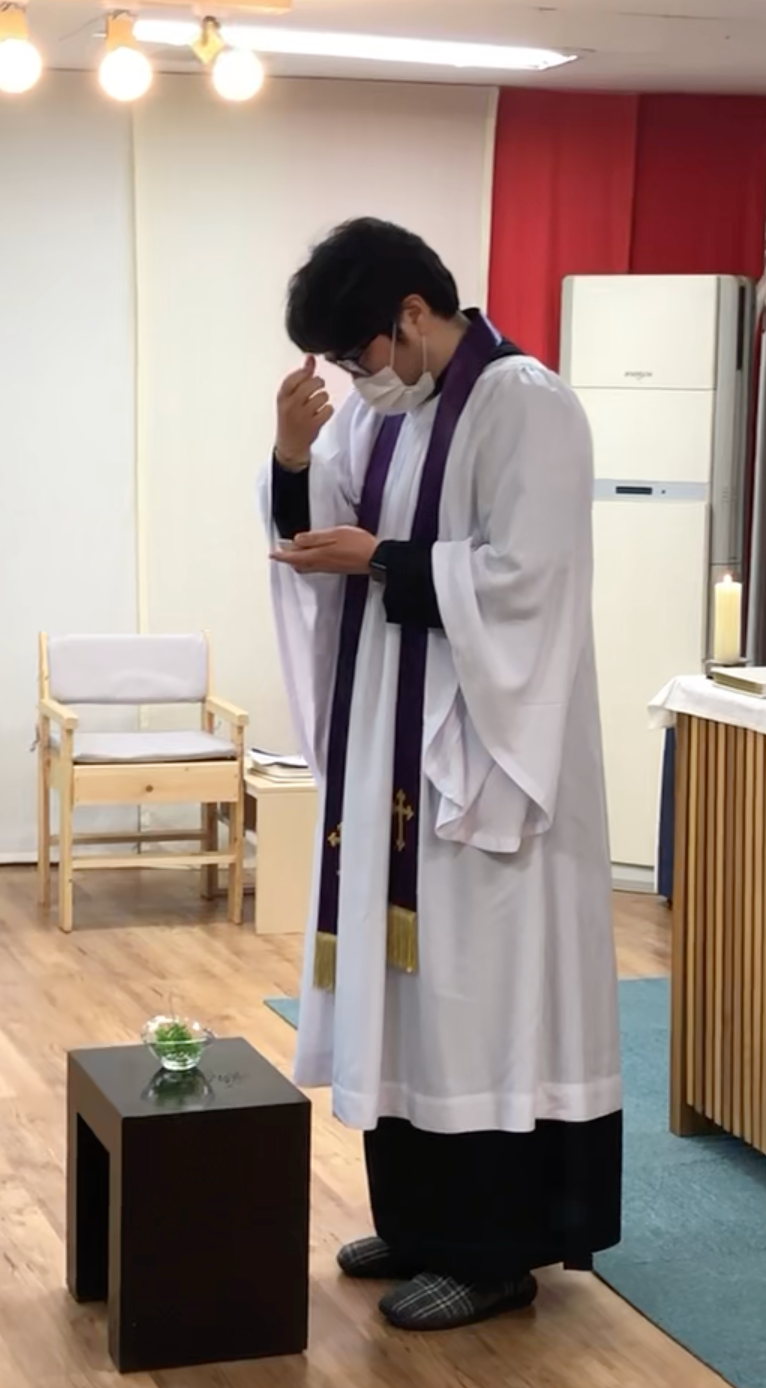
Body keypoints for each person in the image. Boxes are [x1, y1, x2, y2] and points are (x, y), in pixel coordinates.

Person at [261, 218, 622, 1331]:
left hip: (485, 752)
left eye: (361, 353)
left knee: (476, 992)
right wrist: (290, 457)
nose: (356, 379)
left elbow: (528, 578)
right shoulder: (386, 412)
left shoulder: (524, 405)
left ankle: (491, 1252)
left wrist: (381, 558)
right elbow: (318, 537)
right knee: (405, 984)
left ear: (413, 315)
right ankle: (420, 1224)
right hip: (392, 742)